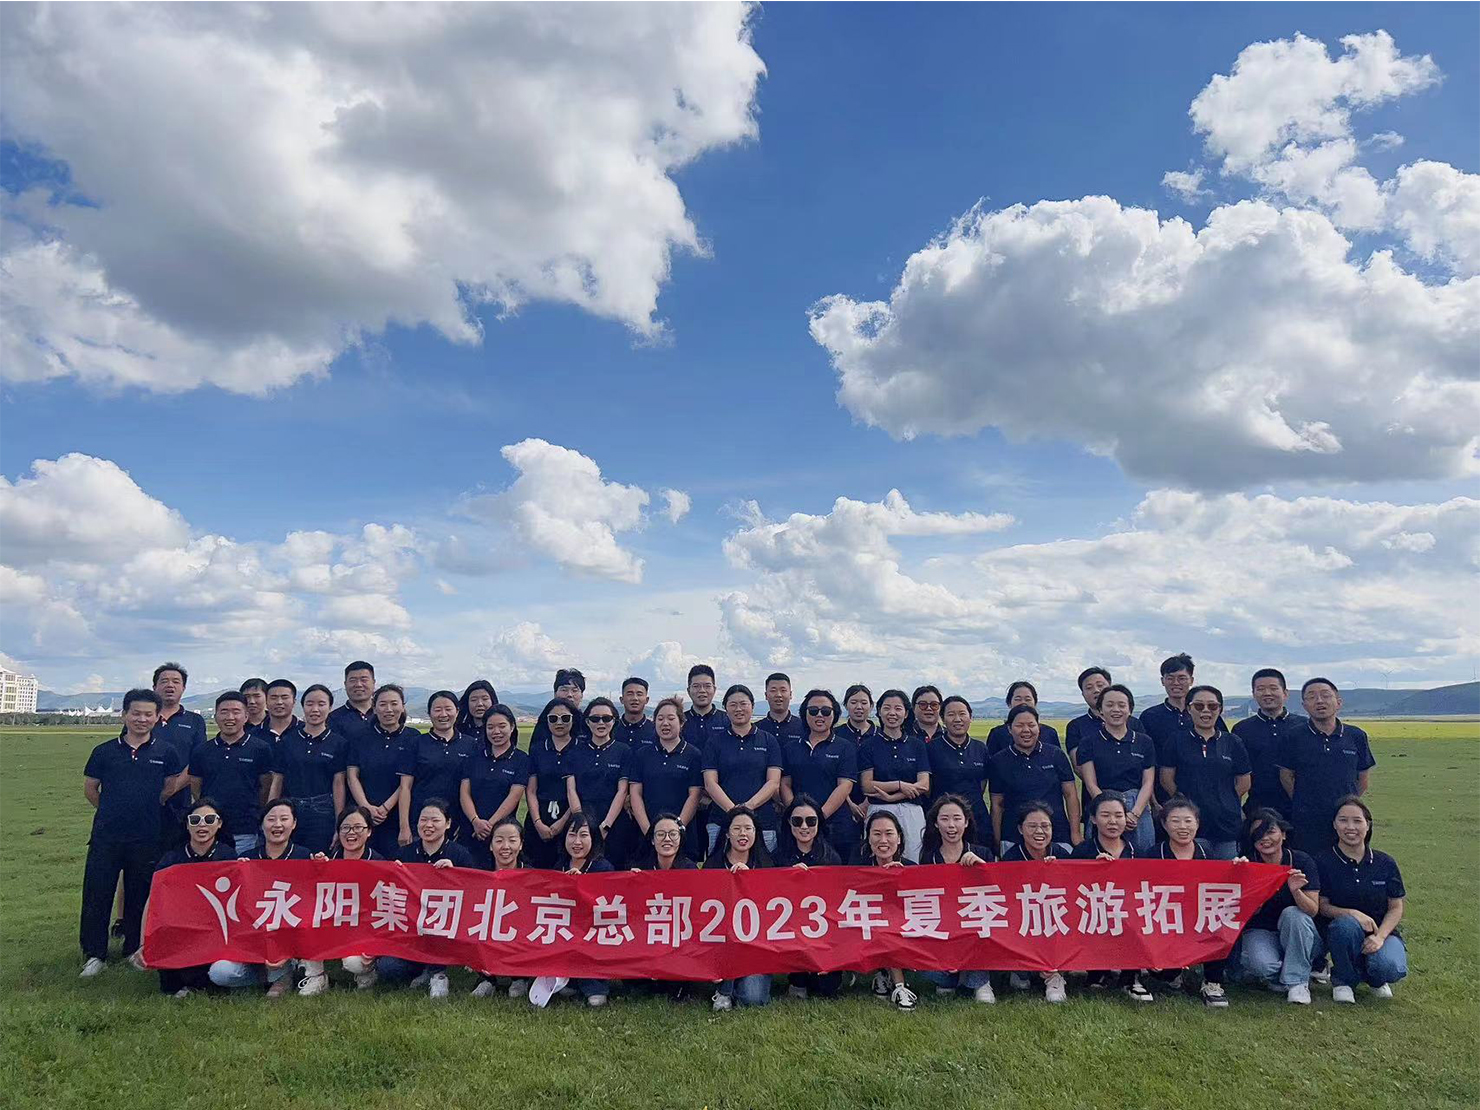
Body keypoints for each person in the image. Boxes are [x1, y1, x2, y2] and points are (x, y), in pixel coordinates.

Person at [79, 689, 188, 978]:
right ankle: (94, 954)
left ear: (157, 717)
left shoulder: (166, 752)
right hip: (107, 836)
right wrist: (112, 810)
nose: (142, 719)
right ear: (124, 715)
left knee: (140, 893)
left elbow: (170, 786)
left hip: (148, 835)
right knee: (97, 894)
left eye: (148, 714)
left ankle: (133, 948)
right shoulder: (104, 752)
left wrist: (149, 805)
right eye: (136, 713)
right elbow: (91, 789)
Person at [209, 799, 313, 997]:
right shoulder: (248, 858)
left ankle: (284, 974)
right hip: (252, 940)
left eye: (284, 819)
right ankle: (263, 977)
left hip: (288, 938)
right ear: (262, 824)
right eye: (271, 819)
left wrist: (322, 867)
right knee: (219, 973)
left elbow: (311, 907)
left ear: (294, 824)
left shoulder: (303, 856)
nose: (277, 824)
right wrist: (236, 875)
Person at [378, 799, 474, 999]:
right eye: (423, 820)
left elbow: (473, 895)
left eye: (435, 820)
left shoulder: (459, 855)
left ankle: (438, 973)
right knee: (388, 968)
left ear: (448, 824)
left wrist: (455, 875)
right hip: (411, 934)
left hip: (446, 933)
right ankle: (424, 970)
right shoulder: (405, 854)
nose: (428, 825)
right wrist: (394, 875)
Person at [1317, 797, 1406, 1003]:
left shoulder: (1385, 862)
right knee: (1345, 926)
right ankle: (1344, 980)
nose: (1350, 827)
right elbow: (1322, 906)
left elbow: (1395, 907)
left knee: (1390, 967)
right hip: (1342, 932)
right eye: (1343, 820)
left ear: (1368, 825)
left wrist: (1380, 937)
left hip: (1380, 931)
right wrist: (1352, 913)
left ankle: (1375, 978)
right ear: (1334, 824)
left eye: (1357, 821)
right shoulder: (1323, 860)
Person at [1146, 796, 1231, 1007]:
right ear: (1164, 824)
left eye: (1188, 821)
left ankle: (1212, 982)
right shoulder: (1154, 854)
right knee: (1163, 973)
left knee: (1220, 925)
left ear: (1197, 823)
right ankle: (1173, 975)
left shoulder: (1206, 852)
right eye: (1175, 821)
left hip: (1199, 918)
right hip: (1166, 921)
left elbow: (1221, 884)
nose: (1182, 827)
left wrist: (1240, 870)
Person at [1069, 794, 1153, 1002]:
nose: (1113, 821)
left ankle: (1131, 977)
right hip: (1093, 912)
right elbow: (1069, 886)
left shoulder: (1137, 852)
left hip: (1129, 913)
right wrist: (1094, 870)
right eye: (1105, 815)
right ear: (1093, 819)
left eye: (1118, 815)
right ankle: (1097, 972)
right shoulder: (1083, 851)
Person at [151, 797, 238, 997]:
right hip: (180, 925)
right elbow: (155, 899)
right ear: (187, 825)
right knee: (169, 981)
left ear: (219, 824)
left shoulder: (229, 857)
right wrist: (143, 943)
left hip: (216, 926)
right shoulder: (172, 859)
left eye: (209, 820)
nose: (202, 825)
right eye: (195, 820)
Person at [1279, 678, 1375, 853]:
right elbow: (1286, 776)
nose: (1319, 701)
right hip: (1307, 820)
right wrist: (1304, 801)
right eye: (1311, 697)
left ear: (1338, 702)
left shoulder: (1356, 736)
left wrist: (1347, 802)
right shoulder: (1293, 736)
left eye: (1325, 695)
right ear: (1304, 705)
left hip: (1345, 820)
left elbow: (1362, 778)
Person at [1236, 808, 1321, 1004]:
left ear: (1283, 834)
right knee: (1261, 966)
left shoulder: (1301, 861)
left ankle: (1297, 982)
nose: (1265, 839)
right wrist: (1241, 879)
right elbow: (1241, 912)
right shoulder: (1248, 863)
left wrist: (1296, 892)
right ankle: (1286, 972)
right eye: (1258, 834)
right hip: (1261, 930)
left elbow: (1312, 910)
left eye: (1270, 832)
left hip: (1299, 930)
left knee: (1293, 914)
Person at [918, 795, 994, 1003]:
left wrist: (983, 868)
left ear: (966, 822)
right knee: (926, 966)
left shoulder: (982, 852)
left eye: (957, 818)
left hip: (974, 923)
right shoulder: (929, 857)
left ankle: (980, 981)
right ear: (936, 823)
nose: (951, 825)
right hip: (943, 925)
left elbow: (999, 892)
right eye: (944, 819)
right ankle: (951, 978)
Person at [1160, 685, 1251, 859]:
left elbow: (1244, 781)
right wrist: (1184, 801)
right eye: (1199, 706)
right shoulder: (1176, 740)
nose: (1206, 711)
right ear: (1189, 709)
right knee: (1194, 872)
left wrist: (1225, 799)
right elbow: (1166, 779)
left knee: (1227, 871)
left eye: (1212, 706)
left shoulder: (1233, 742)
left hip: (1226, 823)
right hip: (1189, 824)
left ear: (1220, 709)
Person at [996, 801, 1069, 1003]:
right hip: (1024, 919)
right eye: (1032, 826)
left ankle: (1055, 976)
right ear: (1021, 829)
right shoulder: (1011, 858)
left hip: (1054, 919)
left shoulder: (1061, 854)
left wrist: (1057, 871)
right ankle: (1022, 970)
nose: (1039, 832)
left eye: (1045, 826)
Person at [773, 796, 843, 1000]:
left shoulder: (832, 857)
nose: (804, 827)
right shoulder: (778, 857)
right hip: (789, 926)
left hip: (824, 928)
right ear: (789, 823)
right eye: (797, 821)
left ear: (819, 823)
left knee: (827, 988)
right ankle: (796, 977)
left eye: (811, 821)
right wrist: (787, 877)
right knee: (801, 986)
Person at [702, 685, 783, 855]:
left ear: (752, 706)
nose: (738, 709)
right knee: (719, 867)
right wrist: (733, 811)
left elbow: (773, 782)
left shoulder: (768, 740)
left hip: (763, 820)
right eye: (733, 705)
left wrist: (748, 807)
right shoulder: (714, 742)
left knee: (764, 867)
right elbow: (710, 783)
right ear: (725, 708)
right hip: (721, 820)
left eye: (743, 704)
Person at [1075, 684, 1157, 854]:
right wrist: (1109, 811)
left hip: (1137, 806)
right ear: (1100, 710)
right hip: (1102, 805)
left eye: (1121, 705)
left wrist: (1134, 814)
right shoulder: (1088, 742)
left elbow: (1148, 782)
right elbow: (1090, 783)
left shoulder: (1144, 742)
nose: (1116, 710)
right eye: (1110, 705)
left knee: (1143, 858)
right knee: (1101, 857)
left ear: (1130, 709)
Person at [189, 690, 273, 854]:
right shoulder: (202, 751)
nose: (230, 717)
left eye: (236, 712)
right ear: (216, 716)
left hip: (246, 829)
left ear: (246, 716)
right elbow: (196, 787)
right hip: (211, 829)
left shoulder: (260, 748)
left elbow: (265, 787)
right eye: (224, 712)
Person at [989, 704, 1081, 854]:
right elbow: (997, 805)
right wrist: (997, 840)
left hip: (1057, 833)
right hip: (1013, 836)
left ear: (1039, 727)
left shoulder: (1055, 754)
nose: (1026, 730)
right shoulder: (999, 761)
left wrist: (1075, 833)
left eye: (1031, 725)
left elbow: (1070, 795)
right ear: (1009, 729)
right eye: (1019, 725)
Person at [706, 808, 773, 1011]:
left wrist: (750, 879)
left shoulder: (767, 865)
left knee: (753, 999)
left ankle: (735, 983)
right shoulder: (713, 865)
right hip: (721, 943)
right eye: (736, 829)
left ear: (755, 833)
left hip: (757, 946)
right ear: (727, 833)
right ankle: (725, 989)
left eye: (748, 828)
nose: (743, 834)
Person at [779, 688, 858, 862]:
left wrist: (818, 817)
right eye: (813, 711)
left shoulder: (845, 747)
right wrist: (797, 815)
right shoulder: (791, 747)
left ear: (834, 714)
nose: (819, 715)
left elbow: (845, 786)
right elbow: (784, 783)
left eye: (826, 711)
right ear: (805, 714)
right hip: (799, 828)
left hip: (837, 826)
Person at [269, 684, 347, 853]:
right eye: (310, 704)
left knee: (319, 859)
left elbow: (339, 783)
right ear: (303, 706)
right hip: (291, 810)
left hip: (323, 812)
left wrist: (339, 823)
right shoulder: (287, 741)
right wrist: (269, 814)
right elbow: (277, 780)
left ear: (330, 707)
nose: (315, 709)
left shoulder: (338, 743)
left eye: (321, 704)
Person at [319, 805, 387, 993]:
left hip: (364, 929)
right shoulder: (329, 860)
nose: (351, 833)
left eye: (358, 827)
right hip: (334, 923)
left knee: (354, 963)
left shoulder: (379, 864)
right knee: (308, 933)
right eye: (345, 828)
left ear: (369, 831)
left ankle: (367, 974)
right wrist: (316, 870)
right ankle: (316, 977)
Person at [346, 683, 419, 856]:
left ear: (402, 706)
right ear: (374, 707)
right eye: (383, 704)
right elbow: (352, 776)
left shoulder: (413, 737)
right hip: (363, 816)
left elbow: (407, 782)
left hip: (398, 815)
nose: (389, 709)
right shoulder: (360, 736)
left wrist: (385, 808)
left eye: (394, 704)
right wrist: (366, 807)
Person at [858, 689, 930, 862]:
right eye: (887, 708)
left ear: (906, 713)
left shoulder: (917, 745)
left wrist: (892, 797)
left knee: (913, 859)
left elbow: (924, 785)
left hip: (911, 811)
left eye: (898, 708)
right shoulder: (868, 745)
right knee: (879, 858)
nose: (892, 713)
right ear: (879, 711)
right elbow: (867, 785)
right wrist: (900, 785)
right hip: (879, 811)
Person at [629, 697, 704, 861]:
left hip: (683, 831)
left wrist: (677, 830)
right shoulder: (642, 754)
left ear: (681, 723)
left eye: (671, 718)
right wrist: (650, 831)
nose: (665, 723)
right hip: (647, 830)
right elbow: (635, 793)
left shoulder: (693, 755)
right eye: (660, 719)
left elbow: (695, 795)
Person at [566, 696, 636, 867]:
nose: (601, 723)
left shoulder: (623, 751)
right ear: (587, 722)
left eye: (606, 718)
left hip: (615, 822)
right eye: (595, 719)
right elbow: (571, 789)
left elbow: (622, 790)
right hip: (583, 823)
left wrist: (606, 825)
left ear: (614, 721)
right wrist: (581, 822)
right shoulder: (575, 751)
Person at [397, 691, 474, 847]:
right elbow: (405, 787)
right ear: (429, 713)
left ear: (457, 711)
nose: (443, 714)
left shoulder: (471, 744)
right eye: (437, 710)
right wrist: (404, 826)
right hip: (422, 821)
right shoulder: (416, 743)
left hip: (458, 823)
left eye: (448, 709)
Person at [860, 810, 918, 1011]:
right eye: (876, 834)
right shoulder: (857, 868)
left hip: (904, 932)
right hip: (865, 929)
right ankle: (897, 984)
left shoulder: (912, 868)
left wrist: (898, 880)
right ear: (868, 838)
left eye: (889, 833)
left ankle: (892, 979)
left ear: (899, 838)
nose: (883, 840)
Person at [553, 813, 613, 1007]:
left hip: (594, 929)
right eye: (571, 835)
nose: (577, 842)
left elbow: (608, 906)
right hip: (566, 928)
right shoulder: (560, 866)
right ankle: (567, 980)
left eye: (583, 835)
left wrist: (582, 886)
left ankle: (596, 987)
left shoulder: (603, 868)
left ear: (593, 838)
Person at [460, 705, 529, 868]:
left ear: (512, 727)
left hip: (503, 833)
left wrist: (490, 826)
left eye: (502, 726)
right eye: (490, 727)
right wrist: (476, 821)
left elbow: (514, 796)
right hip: (471, 829)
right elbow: (464, 793)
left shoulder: (521, 759)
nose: (496, 732)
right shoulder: (473, 757)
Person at [470, 817, 532, 999]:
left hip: (519, 934)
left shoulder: (532, 876)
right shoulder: (479, 873)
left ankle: (520, 978)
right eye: (499, 841)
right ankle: (486, 979)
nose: (505, 846)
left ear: (521, 844)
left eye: (512, 840)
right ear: (490, 846)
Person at [1231, 668, 1305, 819]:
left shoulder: (1304, 726)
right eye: (1260, 689)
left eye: (1273, 688)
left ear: (1285, 693)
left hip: (1299, 808)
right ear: (1253, 694)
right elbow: (1236, 774)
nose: (1267, 693)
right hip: (1257, 809)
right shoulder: (1241, 729)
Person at [151, 662, 207, 851]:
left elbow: (197, 761)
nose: (170, 685)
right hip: (145, 801)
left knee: (176, 854)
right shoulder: (144, 718)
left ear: (183, 688)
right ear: (154, 687)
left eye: (176, 681)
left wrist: (168, 791)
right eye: (164, 681)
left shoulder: (194, 721)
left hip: (180, 802)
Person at [525, 697, 583, 868]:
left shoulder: (582, 749)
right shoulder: (537, 749)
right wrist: (538, 822)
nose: (559, 722)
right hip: (539, 816)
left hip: (571, 817)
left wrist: (563, 821)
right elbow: (531, 790)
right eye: (553, 718)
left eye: (565, 718)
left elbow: (580, 791)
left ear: (573, 719)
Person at [928, 696, 991, 836]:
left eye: (962, 714)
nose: (957, 719)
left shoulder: (980, 748)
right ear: (943, 719)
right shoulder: (931, 749)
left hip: (977, 818)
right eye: (951, 714)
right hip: (944, 820)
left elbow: (982, 783)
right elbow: (928, 787)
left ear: (970, 717)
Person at [836, 683, 876, 846]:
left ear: (871, 706)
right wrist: (850, 804)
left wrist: (867, 802)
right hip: (841, 804)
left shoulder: (880, 735)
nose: (859, 707)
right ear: (846, 705)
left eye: (864, 703)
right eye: (853, 702)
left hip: (875, 803)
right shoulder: (836, 735)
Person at [984, 682, 1062, 756]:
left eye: (1028, 699)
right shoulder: (997, 734)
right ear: (1009, 703)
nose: (1023, 703)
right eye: (1018, 699)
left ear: (1035, 703)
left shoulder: (1050, 733)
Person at [327, 660, 378, 748]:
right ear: (345, 684)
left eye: (364, 680)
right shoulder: (333, 719)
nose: (358, 684)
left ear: (373, 683)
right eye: (353, 680)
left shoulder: (384, 714)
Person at [755, 672, 805, 745]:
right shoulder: (756, 729)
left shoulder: (804, 727)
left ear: (790, 694)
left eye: (783, 690)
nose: (778, 695)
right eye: (773, 690)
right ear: (766, 695)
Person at [615, 677, 658, 748]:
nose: (635, 698)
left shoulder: (655, 730)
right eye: (630, 694)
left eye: (639, 694)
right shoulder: (612, 728)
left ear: (647, 700)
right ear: (621, 699)